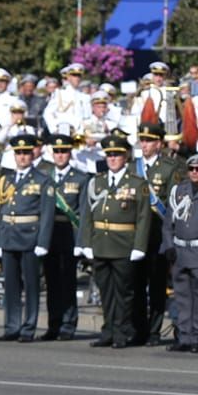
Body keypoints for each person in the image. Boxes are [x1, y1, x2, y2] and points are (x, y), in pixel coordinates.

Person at [80, 134, 151, 349]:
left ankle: (121, 332)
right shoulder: (97, 181)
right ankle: (108, 331)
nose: (112, 158)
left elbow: (143, 217)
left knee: (124, 294)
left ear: (125, 157)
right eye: (109, 155)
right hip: (101, 244)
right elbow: (87, 215)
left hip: (123, 245)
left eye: (116, 155)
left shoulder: (137, 183)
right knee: (106, 292)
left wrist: (139, 246)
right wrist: (86, 242)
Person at [0, 134, 55, 342]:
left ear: (32, 155)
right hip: (9, 237)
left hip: (30, 237)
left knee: (31, 286)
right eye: (18, 153)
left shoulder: (42, 180)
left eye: (26, 153)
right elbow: (2, 211)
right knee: (11, 286)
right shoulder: (7, 180)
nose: (22, 157)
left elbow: (47, 214)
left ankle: (28, 327)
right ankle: (12, 326)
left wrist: (43, 242)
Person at [134, 122, 183, 344]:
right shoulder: (132, 167)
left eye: (149, 141)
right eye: (142, 140)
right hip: (135, 235)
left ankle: (153, 331)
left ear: (159, 144)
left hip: (157, 234)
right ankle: (138, 329)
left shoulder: (169, 168)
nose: (144, 145)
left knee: (156, 285)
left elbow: (173, 204)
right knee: (135, 284)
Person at [43, 134, 89, 340]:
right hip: (49, 234)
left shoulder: (81, 178)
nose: (60, 155)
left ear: (70, 153)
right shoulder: (45, 176)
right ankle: (53, 324)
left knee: (68, 282)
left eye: (64, 152)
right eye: (57, 152)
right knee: (52, 282)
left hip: (69, 233)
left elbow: (83, 212)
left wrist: (81, 241)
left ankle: (68, 325)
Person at [162, 155, 198, 352]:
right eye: (191, 169)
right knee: (182, 296)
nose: (194, 172)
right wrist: (168, 246)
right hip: (180, 251)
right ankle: (184, 337)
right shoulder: (178, 191)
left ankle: (196, 337)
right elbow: (168, 223)